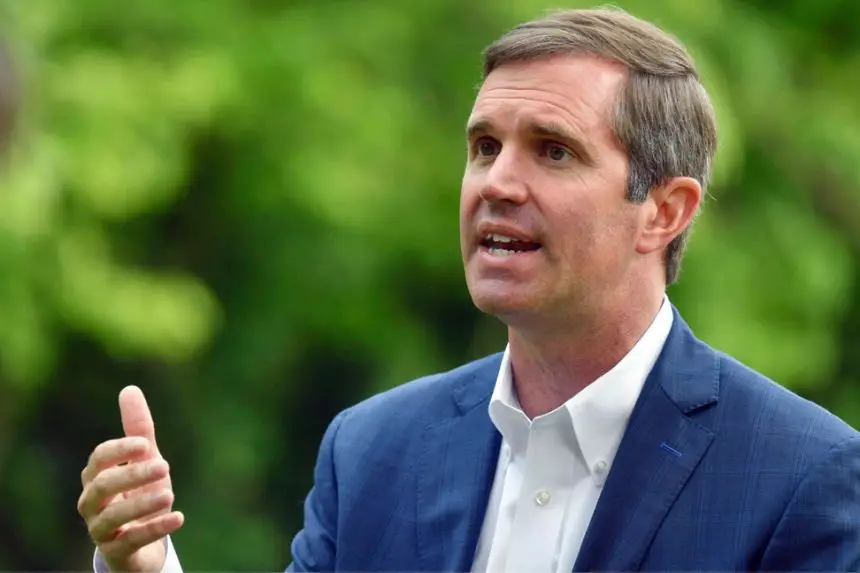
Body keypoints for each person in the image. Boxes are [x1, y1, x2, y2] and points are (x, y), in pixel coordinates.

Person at [77, 6, 860, 572]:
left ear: (663, 210)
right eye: (485, 146)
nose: (498, 182)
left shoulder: (802, 477)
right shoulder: (372, 450)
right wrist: (144, 568)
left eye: (553, 151)